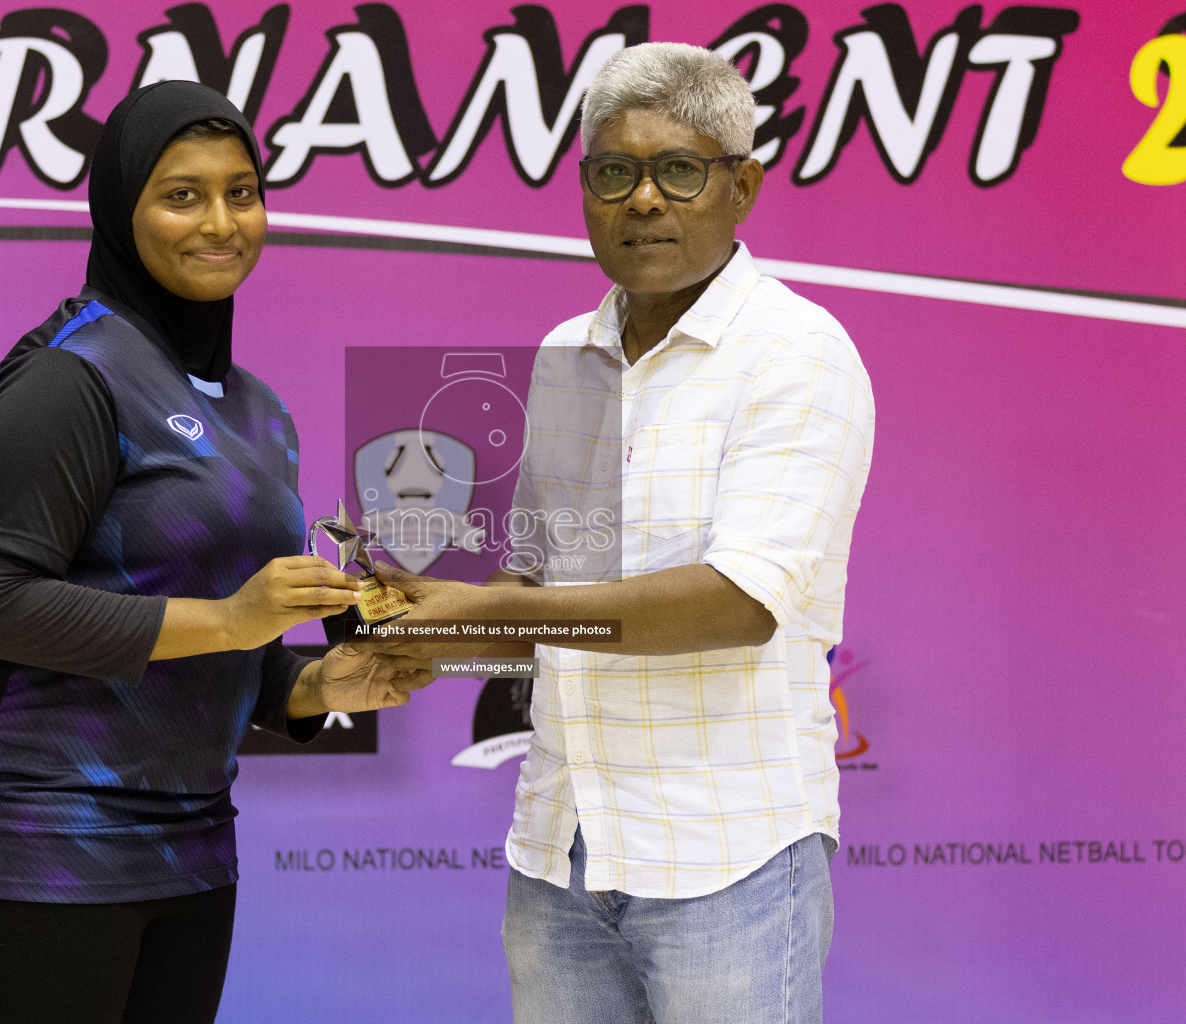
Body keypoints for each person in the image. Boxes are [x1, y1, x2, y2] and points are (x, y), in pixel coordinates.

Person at [374, 43, 875, 1024]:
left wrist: (496, 606)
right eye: (614, 172)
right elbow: (545, 588)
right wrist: (424, 622)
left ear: (743, 187)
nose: (642, 199)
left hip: (728, 853)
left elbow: (735, 603)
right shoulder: (571, 353)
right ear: (585, 192)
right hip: (562, 851)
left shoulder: (799, 353)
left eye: (677, 170)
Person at [0, 81, 425, 1024]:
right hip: (38, 837)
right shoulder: (71, 376)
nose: (221, 222)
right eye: (181, 194)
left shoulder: (259, 408)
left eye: (242, 191)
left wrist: (314, 688)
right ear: (122, 209)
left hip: (192, 840)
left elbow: (212, 636)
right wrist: (235, 618)